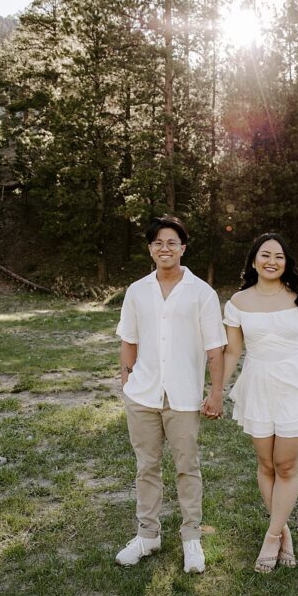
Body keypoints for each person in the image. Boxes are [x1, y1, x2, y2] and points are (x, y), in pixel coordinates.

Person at [220, 233, 298, 572]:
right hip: (257, 384)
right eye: (265, 254)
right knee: (266, 465)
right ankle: (282, 528)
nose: (272, 261)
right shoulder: (238, 303)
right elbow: (232, 351)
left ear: (286, 262)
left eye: (279, 256)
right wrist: (216, 390)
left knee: (286, 466)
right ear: (253, 260)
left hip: (293, 385)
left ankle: (271, 538)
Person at [115, 216, 227, 574]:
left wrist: (216, 393)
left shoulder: (201, 293)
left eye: (172, 242)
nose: (165, 248)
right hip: (143, 395)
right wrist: (127, 381)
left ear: (183, 248)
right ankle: (148, 535)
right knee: (146, 466)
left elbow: (215, 349)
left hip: (183, 396)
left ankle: (191, 538)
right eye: (158, 243)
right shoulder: (137, 291)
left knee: (186, 467)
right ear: (150, 249)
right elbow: (128, 340)